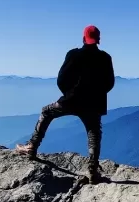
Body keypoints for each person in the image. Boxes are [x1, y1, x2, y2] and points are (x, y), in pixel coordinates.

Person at [16, 25, 115, 183]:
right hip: (94, 104)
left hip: (71, 100)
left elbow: (61, 79)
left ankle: (31, 147)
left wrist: (69, 94)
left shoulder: (73, 55)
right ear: (99, 40)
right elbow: (109, 83)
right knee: (94, 133)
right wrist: (96, 95)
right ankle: (92, 170)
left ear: (84, 38)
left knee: (47, 112)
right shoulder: (105, 58)